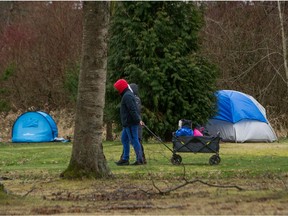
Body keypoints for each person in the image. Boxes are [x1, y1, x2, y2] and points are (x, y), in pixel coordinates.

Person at [114, 79, 144, 166]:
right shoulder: (127, 95)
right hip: (127, 123)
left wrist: (138, 120)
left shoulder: (127, 96)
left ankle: (139, 159)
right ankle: (125, 159)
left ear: (121, 88)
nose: (117, 90)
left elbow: (133, 110)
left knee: (134, 140)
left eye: (117, 88)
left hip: (130, 123)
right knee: (124, 139)